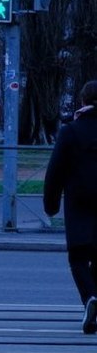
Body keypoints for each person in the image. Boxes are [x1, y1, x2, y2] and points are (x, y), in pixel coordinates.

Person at [44, 80, 97, 333]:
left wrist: (50, 204)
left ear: (83, 101)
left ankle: (90, 298)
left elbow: (55, 171)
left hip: (79, 204)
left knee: (78, 257)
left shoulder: (71, 131)